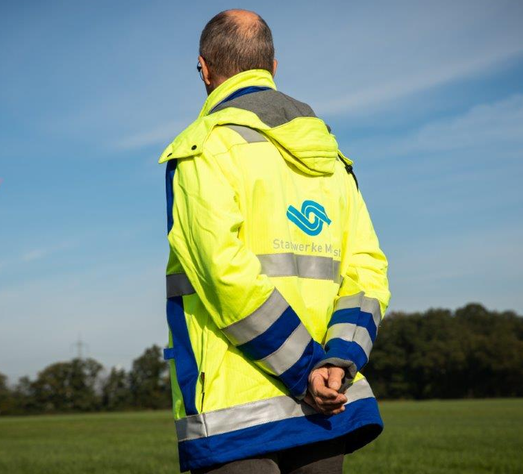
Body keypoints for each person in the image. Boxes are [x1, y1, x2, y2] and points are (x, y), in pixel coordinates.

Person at [159, 9, 390, 473]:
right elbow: (366, 274)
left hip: (236, 414)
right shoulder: (332, 158)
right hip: (328, 405)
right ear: (273, 68)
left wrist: (306, 371)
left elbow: (226, 275)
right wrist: (337, 362)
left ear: (203, 69)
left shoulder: (203, 149)